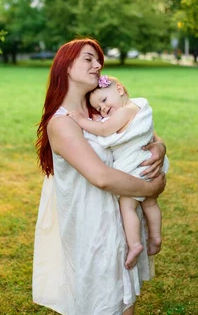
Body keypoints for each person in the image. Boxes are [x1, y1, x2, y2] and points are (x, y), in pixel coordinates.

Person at [33, 38, 168, 315]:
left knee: (124, 301)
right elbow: (102, 177)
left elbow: (146, 133)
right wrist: (150, 189)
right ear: (66, 66)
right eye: (88, 58)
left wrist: (159, 147)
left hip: (119, 221)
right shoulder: (61, 123)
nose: (97, 65)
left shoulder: (100, 108)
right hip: (91, 228)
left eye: (99, 61)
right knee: (104, 303)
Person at [66, 75, 170, 270]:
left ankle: (135, 244)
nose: (103, 109)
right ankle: (155, 237)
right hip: (146, 165)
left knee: (127, 204)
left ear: (120, 90)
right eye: (98, 108)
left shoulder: (125, 112)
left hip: (135, 166)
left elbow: (105, 131)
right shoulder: (137, 107)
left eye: (104, 101)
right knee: (150, 202)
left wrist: (81, 119)